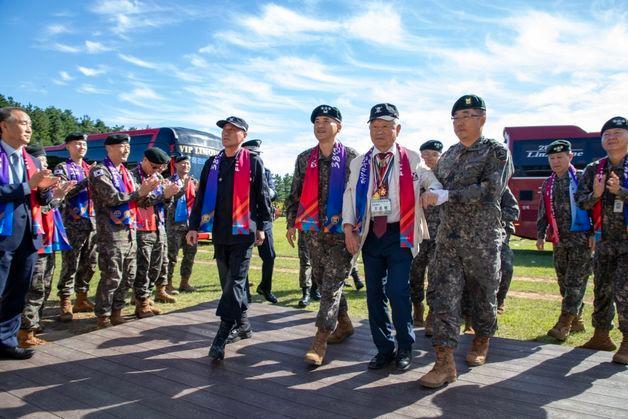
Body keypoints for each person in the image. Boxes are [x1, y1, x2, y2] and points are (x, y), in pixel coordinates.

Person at [418, 95, 513, 388]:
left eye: (468, 116)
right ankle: (444, 362)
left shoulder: (496, 152)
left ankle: (481, 339)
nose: (461, 123)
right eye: (456, 117)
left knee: (484, 297)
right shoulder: (448, 155)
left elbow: (490, 190)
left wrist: (449, 195)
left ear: (482, 119)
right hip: (447, 240)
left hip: (481, 242)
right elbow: (436, 183)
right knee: (443, 298)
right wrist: (426, 187)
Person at [343, 103, 445, 372]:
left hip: (401, 232)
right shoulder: (359, 163)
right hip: (370, 235)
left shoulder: (411, 158)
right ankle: (384, 348)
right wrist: (347, 228)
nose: (379, 132)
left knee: (398, 291)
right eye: (374, 126)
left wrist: (431, 192)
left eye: (386, 126)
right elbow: (351, 196)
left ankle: (406, 346)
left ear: (397, 129)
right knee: (374, 294)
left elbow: (430, 180)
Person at [187, 116, 272, 361]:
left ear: (243, 135)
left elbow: (261, 197)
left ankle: (222, 335)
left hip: (244, 232)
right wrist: (193, 226)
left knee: (235, 281)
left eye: (233, 130)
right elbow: (201, 195)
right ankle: (243, 325)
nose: (226, 133)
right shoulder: (212, 163)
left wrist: (262, 226)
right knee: (228, 282)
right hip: (219, 232)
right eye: (224, 129)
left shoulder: (252, 161)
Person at [284, 105, 358, 366]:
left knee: (332, 285)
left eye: (327, 120)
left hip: (342, 233)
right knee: (321, 278)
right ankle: (345, 323)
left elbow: (359, 197)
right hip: (312, 233)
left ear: (339, 126)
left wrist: (355, 229)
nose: (320, 125)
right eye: (316, 121)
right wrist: (291, 223)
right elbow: (295, 192)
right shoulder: (305, 159)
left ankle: (320, 340)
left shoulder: (352, 157)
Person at [0, 107, 58, 359]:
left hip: (28, 236)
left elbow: (37, 196)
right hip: (3, 235)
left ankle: (6, 341)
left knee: (18, 291)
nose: (29, 128)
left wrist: (46, 190)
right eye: (23, 122)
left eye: (30, 123)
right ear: (3, 126)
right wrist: (27, 185)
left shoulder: (31, 160)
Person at [90, 134, 160, 328]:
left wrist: (157, 193)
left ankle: (116, 312)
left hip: (130, 230)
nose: (127, 150)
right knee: (112, 275)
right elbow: (112, 197)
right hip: (110, 232)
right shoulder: (99, 171)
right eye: (122, 146)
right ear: (109, 148)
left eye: (128, 146)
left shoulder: (126, 173)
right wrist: (140, 192)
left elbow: (139, 200)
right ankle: (103, 316)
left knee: (128, 275)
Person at [575, 116, 628, 364]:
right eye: (607, 134)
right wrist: (596, 195)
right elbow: (581, 202)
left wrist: (621, 192)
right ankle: (601, 335)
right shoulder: (594, 169)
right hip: (603, 241)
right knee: (602, 289)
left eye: (617, 132)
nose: (612, 137)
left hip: (627, 242)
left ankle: (627, 341)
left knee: (624, 291)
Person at [18, 144, 74, 347]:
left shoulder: (44, 183)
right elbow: (36, 209)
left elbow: (47, 208)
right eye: (39, 162)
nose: (44, 165)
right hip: (35, 240)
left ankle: (35, 324)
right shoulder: (27, 181)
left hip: (48, 238)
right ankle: (25, 331)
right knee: (35, 287)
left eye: (44, 162)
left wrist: (58, 195)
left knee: (45, 283)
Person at [536, 140, 592, 341]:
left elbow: (593, 207)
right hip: (559, 241)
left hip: (582, 240)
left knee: (575, 282)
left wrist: (594, 233)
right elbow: (543, 212)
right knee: (563, 283)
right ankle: (576, 319)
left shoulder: (582, 178)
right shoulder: (548, 183)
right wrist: (540, 235)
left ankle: (564, 324)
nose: (556, 161)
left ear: (570, 157)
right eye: (552, 158)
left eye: (560, 157)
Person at [53, 132, 98, 322]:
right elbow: (64, 192)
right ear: (68, 147)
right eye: (77, 144)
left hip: (92, 221)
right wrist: (87, 180)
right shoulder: (62, 168)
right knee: (71, 263)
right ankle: (65, 300)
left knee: (90, 262)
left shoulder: (90, 167)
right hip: (73, 223)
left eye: (84, 144)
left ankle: (81, 297)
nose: (81, 147)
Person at [131, 147, 180, 318]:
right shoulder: (133, 176)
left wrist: (169, 195)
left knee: (157, 267)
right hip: (140, 228)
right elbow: (139, 201)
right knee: (142, 267)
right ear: (144, 160)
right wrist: (162, 195)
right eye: (154, 167)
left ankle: (147, 296)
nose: (158, 171)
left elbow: (166, 203)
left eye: (161, 168)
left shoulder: (157, 176)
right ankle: (141, 303)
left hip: (158, 226)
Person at [410, 139, 443, 328]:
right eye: (425, 154)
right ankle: (417, 308)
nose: (429, 158)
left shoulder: (447, 177)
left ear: (440, 156)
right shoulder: (417, 176)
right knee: (415, 274)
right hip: (419, 234)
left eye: (433, 154)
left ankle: (432, 314)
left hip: (440, 236)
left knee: (435, 276)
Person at [242, 139, 278, 304]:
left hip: (264, 219)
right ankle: (245, 292)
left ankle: (265, 287)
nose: (254, 158)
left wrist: (263, 189)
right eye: (251, 155)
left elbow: (273, 192)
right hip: (245, 218)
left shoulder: (266, 171)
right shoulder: (238, 171)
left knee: (269, 256)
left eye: (256, 155)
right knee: (243, 257)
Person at [166, 154, 199, 293]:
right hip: (174, 225)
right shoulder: (169, 181)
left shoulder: (193, 181)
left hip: (190, 226)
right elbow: (167, 200)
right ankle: (167, 285)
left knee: (190, 255)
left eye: (187, 163)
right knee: (171, 256)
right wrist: (182, 190)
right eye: (182, 163)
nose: (186, 166)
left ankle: (184, 283)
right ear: (176, 165)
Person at [496, 186, 520, 314]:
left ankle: (500, 300)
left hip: (499, 233)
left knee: (506, 266)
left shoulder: (501, 187)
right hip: (472, 235)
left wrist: (493, 213)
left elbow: (514, 212)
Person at [296, 231, 314, 307]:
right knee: (305, 261)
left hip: (324, 230)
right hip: (305, 228)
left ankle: (315, 289)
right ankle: (306, 294)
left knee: (318, 261)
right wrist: (291, 226)